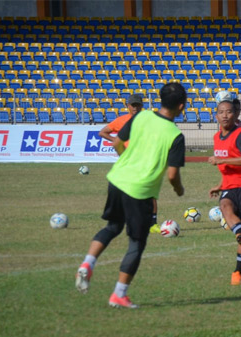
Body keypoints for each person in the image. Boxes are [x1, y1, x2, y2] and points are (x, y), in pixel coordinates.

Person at [75, 82, 188, 308]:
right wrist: (179, 189)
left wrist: (127, 160)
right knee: (136, 242)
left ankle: (87, 263)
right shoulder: (176, 135)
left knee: (112, 227)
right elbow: (172, 175)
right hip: (140, 189)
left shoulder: (141, 117)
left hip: (117, 179)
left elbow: (117, 143)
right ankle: (119, 294)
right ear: (182, 107)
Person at [208, 99, 241, 286]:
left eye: (229, 112)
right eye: (221, 112)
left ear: (235, 115)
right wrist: (219, 185)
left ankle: (237, 271)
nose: (225, 115)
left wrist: (221, 161)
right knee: (225, 205)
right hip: (230, 186)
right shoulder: (216, 138)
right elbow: (228, 170)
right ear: (216, 116)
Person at [99, 94, 161, 234]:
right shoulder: (121, 121)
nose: (135, 108)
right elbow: (103, 132)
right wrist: (116, 141)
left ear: (142, 106)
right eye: (133, 105)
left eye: (138, 105)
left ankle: (153, 223)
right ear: (128, 106)